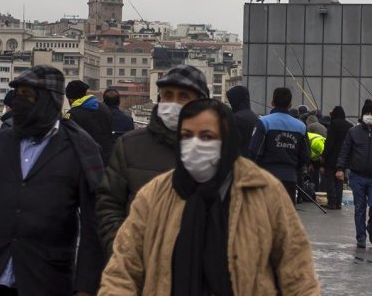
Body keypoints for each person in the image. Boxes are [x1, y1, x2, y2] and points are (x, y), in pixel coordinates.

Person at [98, 98, 320, 295]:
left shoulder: (265, 192)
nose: (195, 145)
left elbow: (297, 271)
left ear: (227, 140)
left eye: (207, 136)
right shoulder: (154, 195)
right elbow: (123, 269)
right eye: (187, 136)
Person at [0, 66, 105, 296]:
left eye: (27, 96)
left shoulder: (80, 150)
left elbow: (92, 226)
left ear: (49, 100)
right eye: (17, 95)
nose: (18, 102)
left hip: (47, 280)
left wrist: (86, 287)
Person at [96, 65, 209, 256]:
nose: (173, 104)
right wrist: (123, 250)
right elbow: (108, 205)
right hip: (139, 266)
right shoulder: (129, 146)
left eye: (183, 96)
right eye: (167, 95)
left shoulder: (216, 150)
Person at [336, 102, 372, 248]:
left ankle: (371, 228)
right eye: (367, 114)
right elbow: (345, 151)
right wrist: (340, 168)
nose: (370, 116)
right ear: (362, 115)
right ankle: (361, 237)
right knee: (359, 207)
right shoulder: (353, 132)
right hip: (357, 175)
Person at [249, 87, 309, 204]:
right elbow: (305, 156)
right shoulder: (300, 126)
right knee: (286, 217)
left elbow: (254, 151)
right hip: (290, 177)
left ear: (272, 102)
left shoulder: (264, 122)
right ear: (290, 104)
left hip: (267, 176)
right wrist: (294, 169)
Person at [64, 80, 114, 164]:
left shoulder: (72, 115)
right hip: (107, 158)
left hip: (86, 162)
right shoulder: (104, 108)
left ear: (71, 99)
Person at [321, 106, 353, 209]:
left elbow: (329, 142)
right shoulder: (350, 126)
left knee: (330, 180)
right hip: (343, 158)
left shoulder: (334, 124)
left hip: (332, 157)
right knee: (339, 180)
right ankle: (338, 202)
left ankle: (332, 202)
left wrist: (323, 156)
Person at [226, 85, 257, 156]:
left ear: (235, 100)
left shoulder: (236, 118)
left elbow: (230, 144)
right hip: (252, 161)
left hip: (238, 161)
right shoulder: (254, 117)